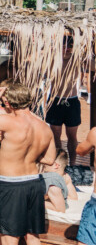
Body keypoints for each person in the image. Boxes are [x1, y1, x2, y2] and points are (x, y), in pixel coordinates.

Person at [0, 81, 56, 245]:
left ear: (7, 102)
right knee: (32, 236)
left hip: (12, 184)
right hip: (34, 183)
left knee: (10, 237)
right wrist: (28, 153)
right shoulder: (44, 127)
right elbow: (50, 159)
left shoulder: (8, 122)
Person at [45, 38, 81, 166]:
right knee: (56, 136)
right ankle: (59, 163)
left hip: (72, 101)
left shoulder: (77, 59)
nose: (67, 47)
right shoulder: (53, 58)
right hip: (56, 100)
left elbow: (92, 65)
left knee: (72, 136)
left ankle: (72, 163)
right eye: (64, 44)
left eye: (70, 45)